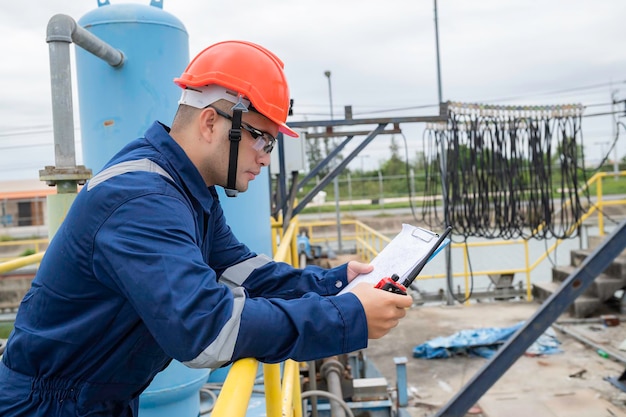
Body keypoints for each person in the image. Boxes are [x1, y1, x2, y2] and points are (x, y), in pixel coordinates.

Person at [0, 40, 412, 417]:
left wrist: (335, 284)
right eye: (262, 139)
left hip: (93, 399)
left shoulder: (185, 189)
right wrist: (347, 317)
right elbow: (205, 331)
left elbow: (244, 272)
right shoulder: (143, 199)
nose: (266, 158)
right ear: (211, 123)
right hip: (46, 405)